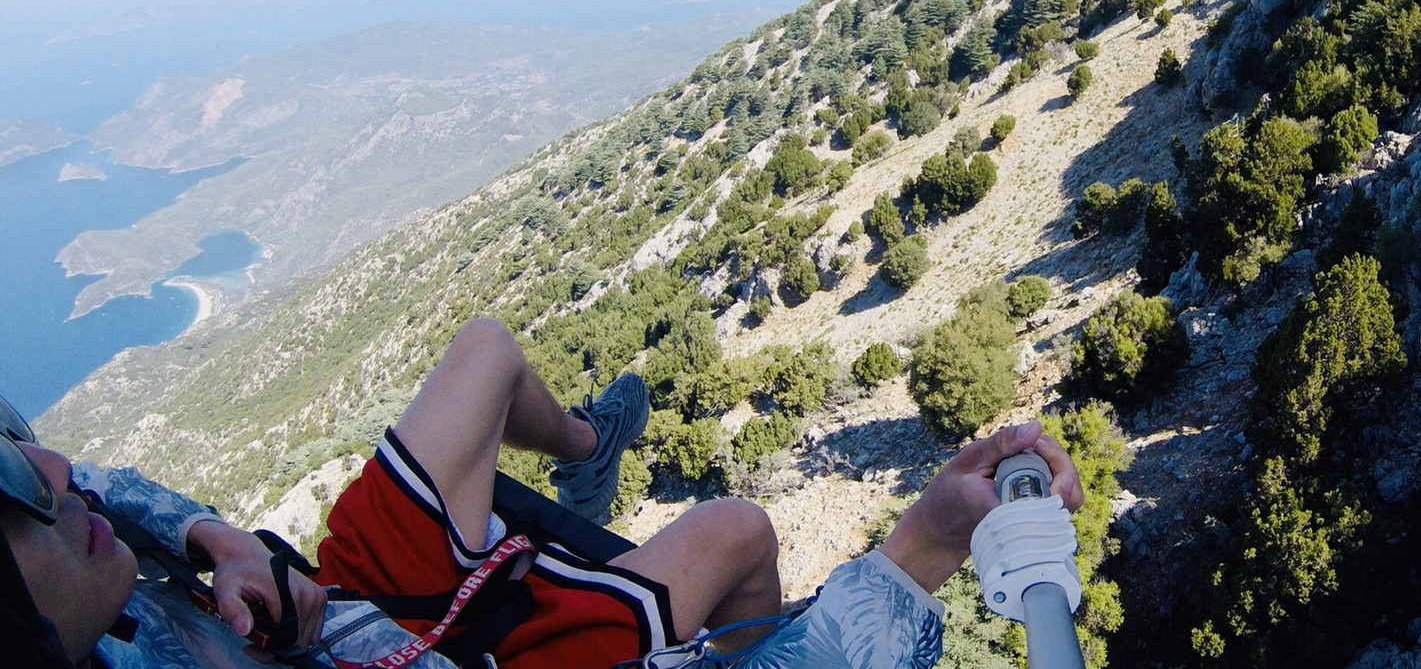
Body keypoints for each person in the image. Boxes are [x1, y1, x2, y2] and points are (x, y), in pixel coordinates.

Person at [0, 318, 1083, 668]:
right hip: (447, 645)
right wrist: (928, 545)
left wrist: (215, 539)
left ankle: (584, 445)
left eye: (12, 445)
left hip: (348, 610)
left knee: (484, 350)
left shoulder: (75, 601)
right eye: (14, 490)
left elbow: (95, 480)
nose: (49, 469)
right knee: (739, 528)